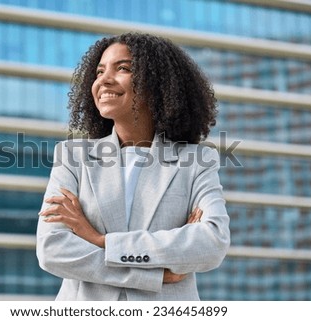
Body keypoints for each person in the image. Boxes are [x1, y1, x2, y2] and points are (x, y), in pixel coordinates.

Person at [36, 32, 230, 301]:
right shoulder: (72, 157)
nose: (103, 80)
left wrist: (100, 240)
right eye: (99, 71)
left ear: (157, 83)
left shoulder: (196, 161)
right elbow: (52, 250)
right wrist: (152, 275)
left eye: (123, 68)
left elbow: (211, 243)